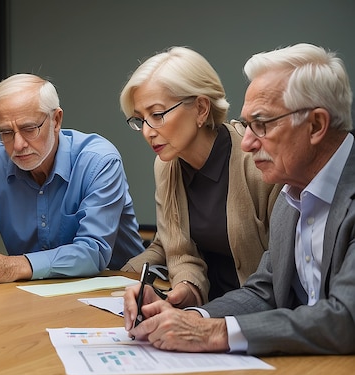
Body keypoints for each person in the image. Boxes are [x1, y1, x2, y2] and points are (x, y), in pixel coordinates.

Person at [124, 43, 355, 356]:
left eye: (261, 124)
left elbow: (345, 319)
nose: (246, 143)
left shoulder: (285, 183)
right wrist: (190, 318)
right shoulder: (293, 192)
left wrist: (217, 332)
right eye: (247, 125)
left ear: (315, 125)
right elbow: (264, 290)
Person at [0, 73, 144, 283]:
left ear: (56, 120)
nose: (18, 145)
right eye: (6, 133)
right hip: (31, 294)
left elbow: (93, 251)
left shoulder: (98, 161)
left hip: (116, 287)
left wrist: (11, 267)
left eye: (29, 129)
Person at [119, 46, 281, 306]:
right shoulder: (166, 166)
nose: (147, 132)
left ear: (201, 108)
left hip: (258, 315)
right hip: (203, 312)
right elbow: (181, 254)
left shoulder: (257, 163)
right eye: (141, 119)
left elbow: (280, 269)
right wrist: (184, 291)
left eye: (157, 114)